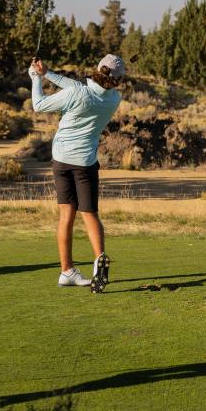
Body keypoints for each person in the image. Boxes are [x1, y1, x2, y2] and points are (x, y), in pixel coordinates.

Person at [29, 54, 125, 293]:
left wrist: (36, 78)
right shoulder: (114, 98)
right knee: (90, 214)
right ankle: (98, 260)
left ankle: (67, 270)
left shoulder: (77, 92)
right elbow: (73, 85)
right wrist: (47, 73)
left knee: (66, 215)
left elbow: (39, 105)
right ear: (117, 80)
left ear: (97, 68)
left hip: (61, 160)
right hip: (85, 163)